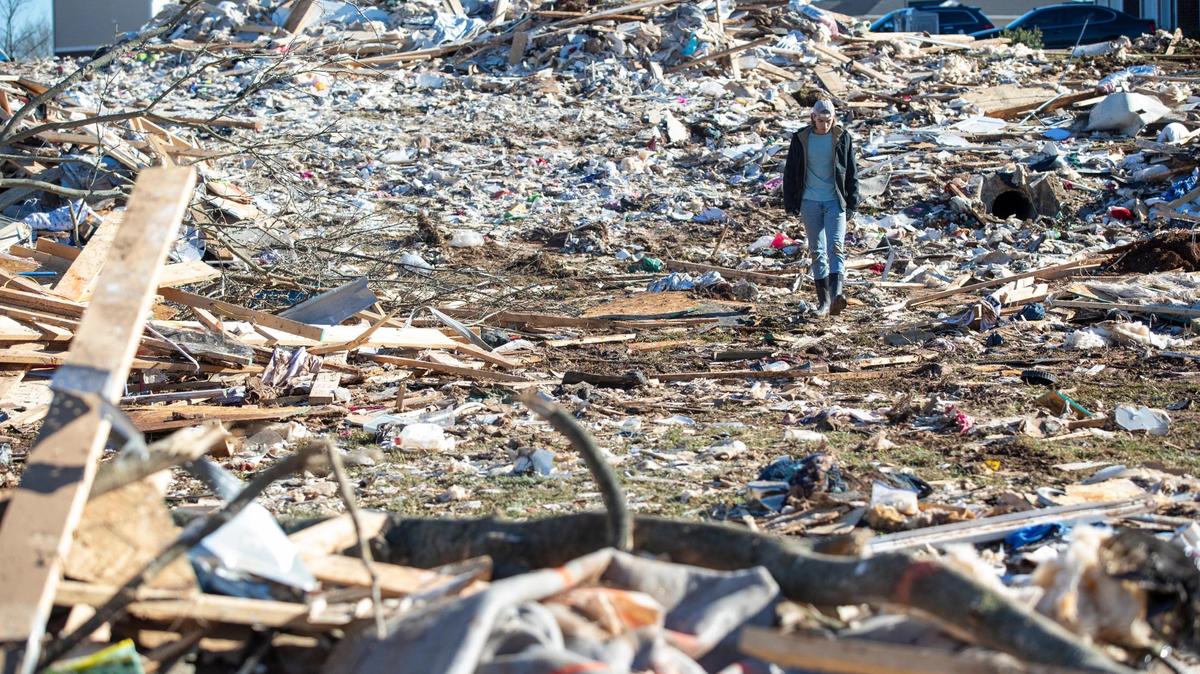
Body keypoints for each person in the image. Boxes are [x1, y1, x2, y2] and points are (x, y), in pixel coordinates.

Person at [782, 99, 860, 317]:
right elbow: (790, 171)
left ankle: (837, 296)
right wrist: (790, 202)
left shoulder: (842, 138)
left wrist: (853, 202)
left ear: (833, 118)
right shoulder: (801, 139)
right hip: (810, 201)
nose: (824, 124)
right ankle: (823, 303)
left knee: (835, 246)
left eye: (828, 120)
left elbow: (851, 172)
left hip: (835, 201)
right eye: (820, 120)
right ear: (813, 118)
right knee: (817, 250)